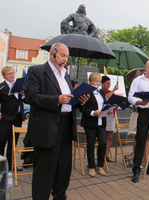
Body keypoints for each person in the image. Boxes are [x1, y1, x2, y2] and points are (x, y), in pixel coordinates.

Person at [23, 43, 89, 200]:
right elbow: (31, 96)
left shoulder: (66, 75)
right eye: (62, 55)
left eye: (66, 56)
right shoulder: (37, 71)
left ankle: (60, 196)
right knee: (45, 170)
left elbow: (68, 101)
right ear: (52, 54)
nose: (65, 59)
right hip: (47, 127)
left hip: (66, 126)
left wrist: (81, 100)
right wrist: (56, 100)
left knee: (63, 168)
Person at [80, 72, 111, 177]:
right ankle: (91, 166)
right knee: (91, 144)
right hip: (90, 122)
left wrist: (109, 109)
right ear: (90, 82)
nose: (98, 83)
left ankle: (100, 165)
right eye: (96, 81)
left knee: (103, 143)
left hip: (101, 122)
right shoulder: (85, 92)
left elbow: (105, 104)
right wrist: (93, 113)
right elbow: (82, 108)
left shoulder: (101, 92)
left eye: (99, 81)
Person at [0, 66, 26, 171]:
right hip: (6, 118)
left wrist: (23, 95)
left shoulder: (18, 86)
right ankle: (1, 167)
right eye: (9, 74)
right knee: (2, 143)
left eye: (13, 73)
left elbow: (26, 100)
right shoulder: (1, 87)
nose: (12, 75)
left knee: (13, 143)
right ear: (4, 76)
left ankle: (11, 166)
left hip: (17, 118)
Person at [100, 75, 118, 162]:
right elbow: (106, 98)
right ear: (102, 84)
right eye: (107, 83)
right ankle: (101, 155)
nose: (108, 85)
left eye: (109, 83)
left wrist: (117, 105)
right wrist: (114, 90)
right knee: (103, 136)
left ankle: (107, 155)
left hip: (111, 115)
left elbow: (114, 102)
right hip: (103, 114)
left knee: (109, 137)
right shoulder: (101, 92)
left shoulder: (111, 91)